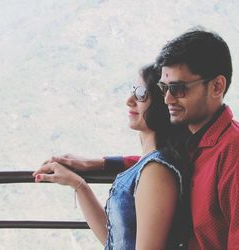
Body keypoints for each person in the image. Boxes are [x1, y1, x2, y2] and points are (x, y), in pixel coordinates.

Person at [45, 27, 239, 249]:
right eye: (163, 88)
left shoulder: (233, 154)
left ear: (217, 86)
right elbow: (157, 163)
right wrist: (101, 163)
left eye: (178, 88)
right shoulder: (194, 143)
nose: (167, 99)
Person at [33, 64, 187, 249]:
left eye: (140, 94)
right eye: (132, 91)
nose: (129, 100)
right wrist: (79, 186)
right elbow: (116, 240)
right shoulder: (148, 165)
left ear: (162, 103)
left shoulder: (156, 171)